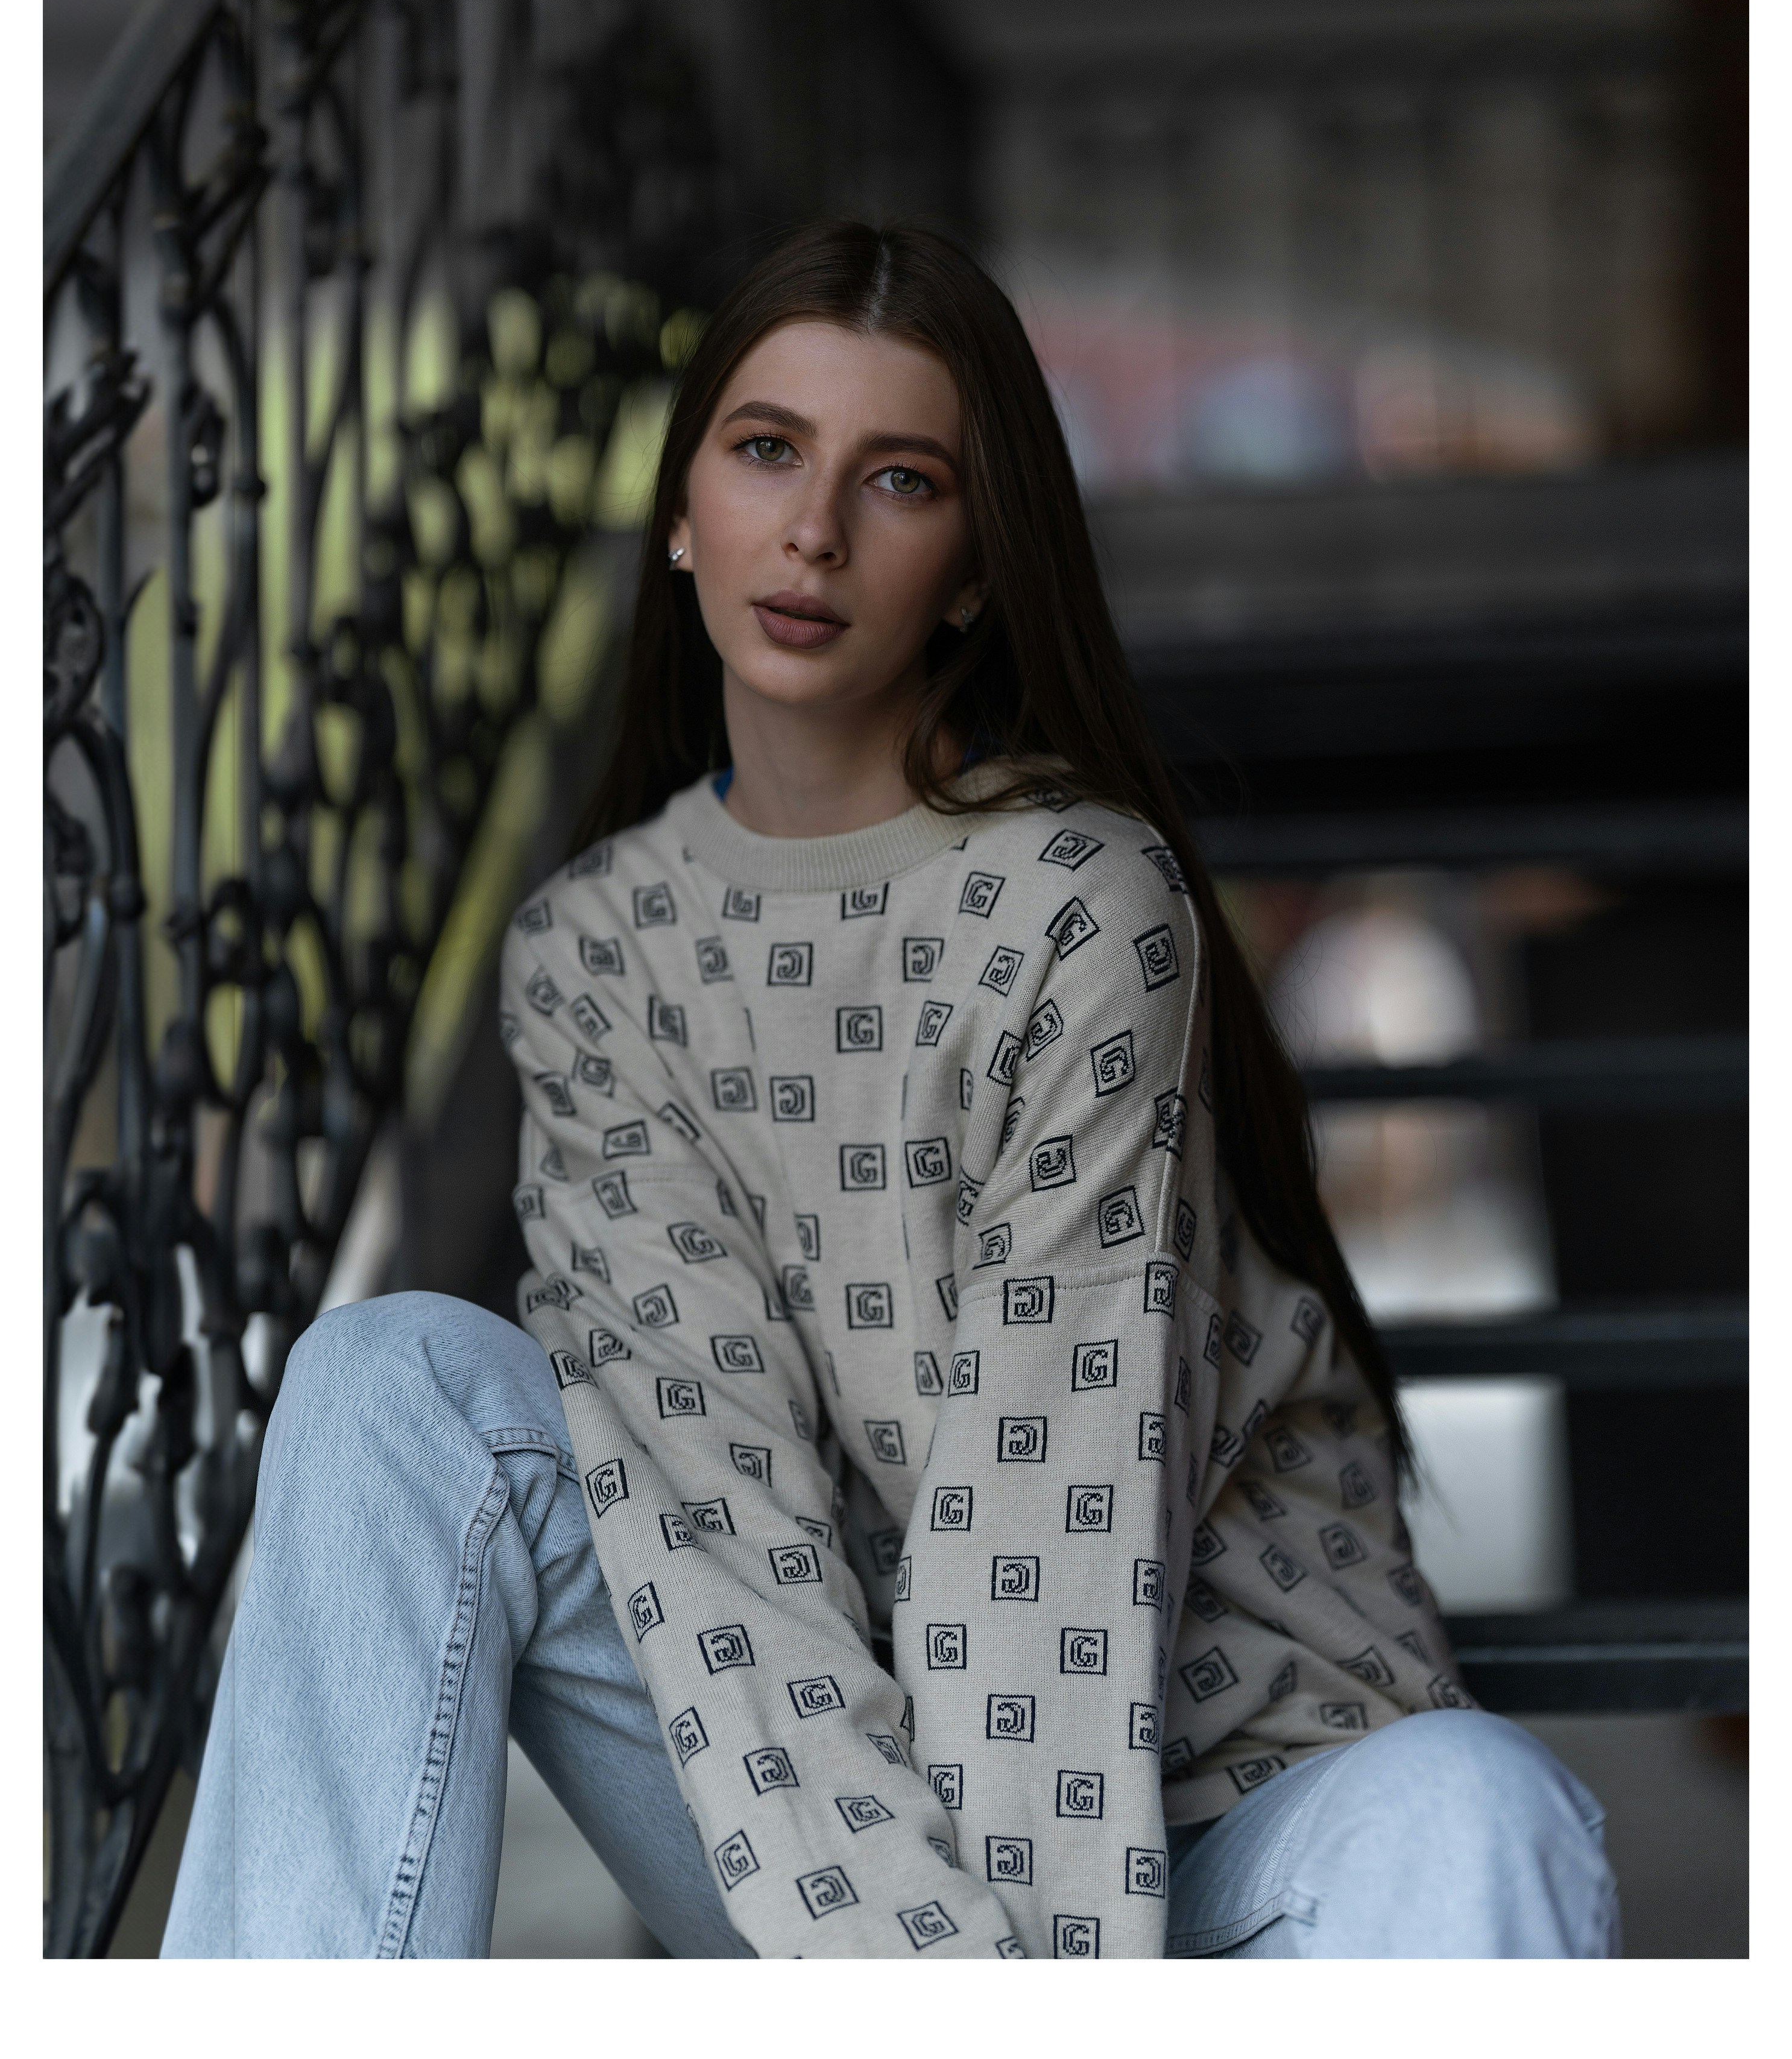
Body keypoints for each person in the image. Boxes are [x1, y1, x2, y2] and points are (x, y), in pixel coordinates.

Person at [163, 223, 1619, 1959]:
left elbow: (1048, 1540)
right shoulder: (598, 951)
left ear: (975, 567)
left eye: (901, 478)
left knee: (1477, 1804)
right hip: (820, 1813)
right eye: (766, 450)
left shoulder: (1080, 906)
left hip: (1217, 1815)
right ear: (685, 510)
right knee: (386, 1379)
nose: (815, 532)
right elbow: (705, 1525)